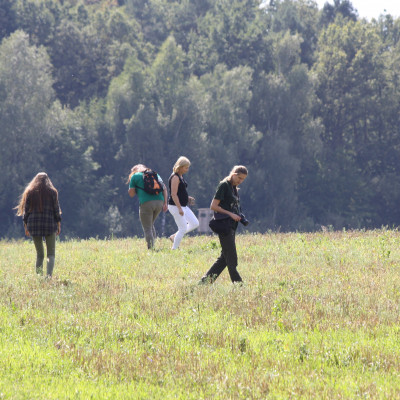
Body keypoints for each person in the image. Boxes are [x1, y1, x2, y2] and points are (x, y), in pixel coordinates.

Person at [199, 165, 248, 284]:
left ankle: (204, 283)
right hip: (224, 226)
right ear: (234, 174)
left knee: (224, 258)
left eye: (243, 179)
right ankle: (238, 285)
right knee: (232, 259)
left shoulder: (233, 188)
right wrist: (231, 214)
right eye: (239, 178)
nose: (240, 181)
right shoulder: (224, 185)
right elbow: (213, 206)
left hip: (231, 226)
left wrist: (238, 215)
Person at [15, 172, 62, 277]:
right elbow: (56, 210)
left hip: (34, 226)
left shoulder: (30, 192)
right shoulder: (53, 192)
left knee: (39, 254)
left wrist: (26, 227)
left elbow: (26, 212)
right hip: (49, 225)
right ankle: (48, 277)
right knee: (51, 254)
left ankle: (39, 277)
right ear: (48, 180)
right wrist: (58, 224)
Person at [128, 164, 168, 249]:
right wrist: (165, 203)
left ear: (135, 170)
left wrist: (135, 187)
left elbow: (131, 194)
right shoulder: (155, 174)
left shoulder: (135, 176)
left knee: (147, 228)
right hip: (159, 202)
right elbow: (164, 188)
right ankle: (154, 244)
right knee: (150, 224)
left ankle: (151, 249)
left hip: (146, 203)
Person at [168, 156, 199, 249]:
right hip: (175, 206)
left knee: (195, 223)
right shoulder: (175, 177)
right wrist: (179, 208)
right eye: (186, 167)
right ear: (180, 167)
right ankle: (174, 249)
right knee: (183, 228)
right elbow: (173, 194)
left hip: (183, 205)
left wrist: (187, 198)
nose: (187, 169)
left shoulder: (181, 176)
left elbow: (180, 192)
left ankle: (174, 236)